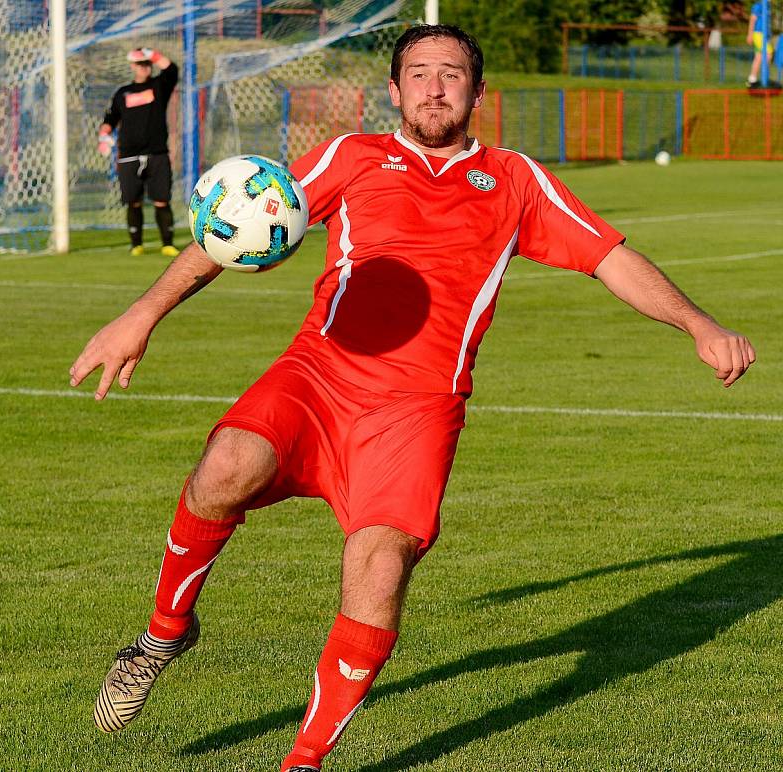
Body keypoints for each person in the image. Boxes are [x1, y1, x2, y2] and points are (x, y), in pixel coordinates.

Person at [70, 25, 756, 771]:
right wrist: (141, 315)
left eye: (452, 74)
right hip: (320, 372)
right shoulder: (354, 156)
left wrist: (698, 323)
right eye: (419, 73)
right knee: (226, 464)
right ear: (394, 91)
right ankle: (164, 633)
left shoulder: (517, 180)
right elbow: (240, 221)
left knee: (380, 567)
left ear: (477, 92)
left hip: (418, 408)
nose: (435, 87)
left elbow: (610, 258)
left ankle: (304, 762)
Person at [98, 47, 180, 257]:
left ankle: (167, 244)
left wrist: (151, 54)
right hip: (128, 155)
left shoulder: (158, 86)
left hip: (157, 154)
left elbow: (172, 70)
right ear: (133, 66)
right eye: (140, 64)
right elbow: (111, 119)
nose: (144, 67)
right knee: (133, 201)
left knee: (161, 200)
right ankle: (137, 244)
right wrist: (104, 135)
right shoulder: (122, 93)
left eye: (147, 64)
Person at [746, 1, 775, 86]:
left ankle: (752, 79)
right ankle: (764, 77)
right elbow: (752, 19)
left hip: (765, 35)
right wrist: (750, 34)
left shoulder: (768, 6)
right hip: (759, 33)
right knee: (769, 54)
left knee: (758, 57)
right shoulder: (759, 5)